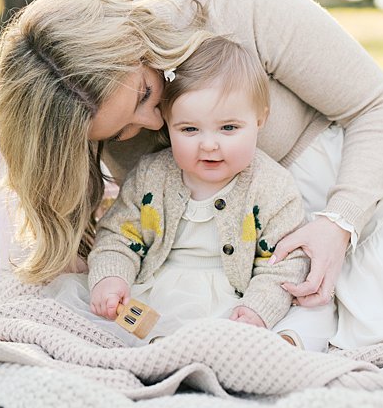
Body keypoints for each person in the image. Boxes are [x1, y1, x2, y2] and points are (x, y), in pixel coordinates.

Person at [0, 0, 383, 348]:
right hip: (268, 241)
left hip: (374, 168)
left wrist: (340, 222)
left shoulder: (232, 3)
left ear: (130, 39)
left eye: (146, 98)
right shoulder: (81, 109)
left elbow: (379, 107)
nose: (152, 127)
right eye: (120, 132)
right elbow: (106, 223)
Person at [86, 36, 336, 349]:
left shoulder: (272, 186)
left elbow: (285, 262)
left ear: (260, 120)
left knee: (313, 316)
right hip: (158, 291)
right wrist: (112, 277)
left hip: (236, 300)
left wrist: (257, 310)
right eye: (189, 129)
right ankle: (163, 354)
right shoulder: (152, 175)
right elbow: (118, 236)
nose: (209, 144)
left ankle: (252, 354)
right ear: (168, 123)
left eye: (228, 128)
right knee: (104, 317)